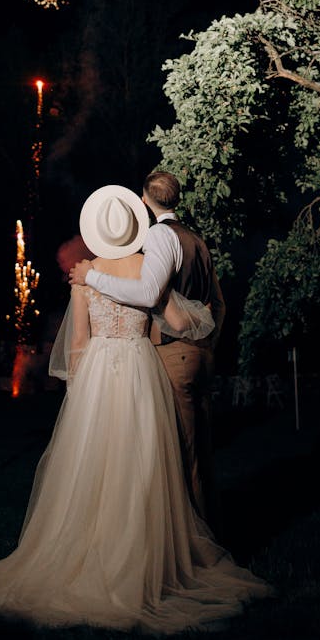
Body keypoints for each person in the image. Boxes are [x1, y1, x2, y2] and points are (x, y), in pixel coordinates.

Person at [0, 185, 272, 633]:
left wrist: (79, 393)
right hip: (139, 368)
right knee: (141, 464)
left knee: (93, 462)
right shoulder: (144, 269)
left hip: (99, 371)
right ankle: (139, 556)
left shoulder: (86, 273)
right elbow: (179, 321)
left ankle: (90, 549)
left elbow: (78, 341)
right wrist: (205, 325)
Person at [69, 170, 225, 527]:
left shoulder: (88, 272)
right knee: (175, 453)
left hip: (117, 370)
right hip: (152, 364)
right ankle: (190, 531)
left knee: (176, 455)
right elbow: (200, 310)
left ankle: (196, 532)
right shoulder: (193, 241)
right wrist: (207, 340)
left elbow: (81, 338)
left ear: (145, 200)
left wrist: (91, 277)